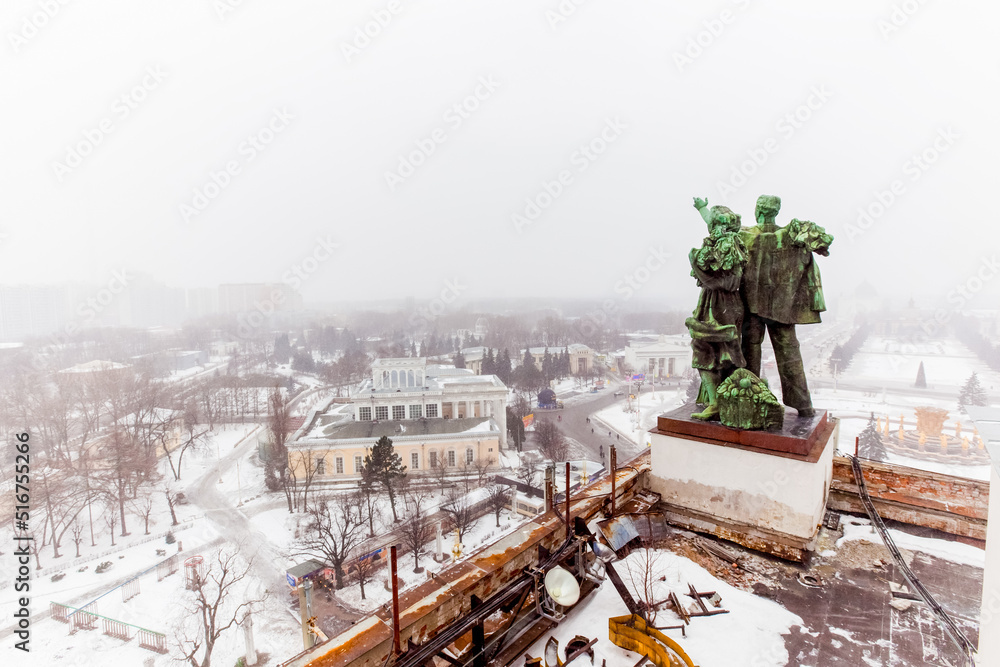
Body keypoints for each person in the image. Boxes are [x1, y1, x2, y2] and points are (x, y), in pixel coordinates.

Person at [739, 195, 832, 417]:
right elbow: (824, 241)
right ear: (776, 212)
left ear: (757, 210)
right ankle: (803, 405)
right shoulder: (794, 233)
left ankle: (749, 400)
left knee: (749, 356)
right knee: (790, 355)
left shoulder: (743, 235)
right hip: (782, 310)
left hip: (750, 309)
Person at [686, 197, 749, 420]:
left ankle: (723, 401)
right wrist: (702, 209)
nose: (711, 227)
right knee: (711, 350)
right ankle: (718, 402)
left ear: (721, 226)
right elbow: (711, 223)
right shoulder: (727, 239)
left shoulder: (727, 244)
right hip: (713, 303)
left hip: (722, 304)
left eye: (713, 224)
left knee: (720, 351)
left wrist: (694, 258)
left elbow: (715, 270)